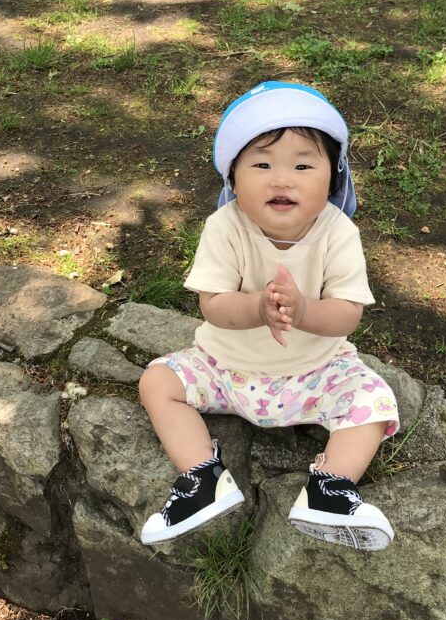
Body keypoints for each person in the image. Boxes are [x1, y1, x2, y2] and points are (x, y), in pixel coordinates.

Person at [138, 81, 399, 551]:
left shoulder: (339, 233)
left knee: (375, 400)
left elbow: (347, 315)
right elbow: (213, 305)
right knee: (158, 382)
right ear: (233, 179)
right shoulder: (225, 227)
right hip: (225, 368)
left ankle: (331, 488)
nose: (282, 180)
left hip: (316, 371)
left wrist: (304, 310)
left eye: (303, 165)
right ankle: (202, 478)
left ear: (333, 178)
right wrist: (258, 307)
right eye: (261, 165)